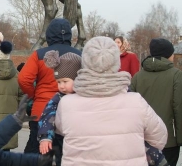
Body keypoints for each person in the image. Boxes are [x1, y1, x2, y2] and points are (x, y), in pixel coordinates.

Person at [55, 36, 168, 166]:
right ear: (116, 62)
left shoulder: (66, 103)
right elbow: (159, 139)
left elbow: (61, 130)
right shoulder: (136, 101)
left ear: (85, 62)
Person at [18, 18, 81, 154]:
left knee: (34, 155)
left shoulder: (40, 54)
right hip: (72, 111)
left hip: (41, 110)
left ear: (49, 34)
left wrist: (34, 95)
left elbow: (24, 79)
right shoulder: (80, 55)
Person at [131, 38, 182, 166]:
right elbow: (179, 107)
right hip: (169, 140)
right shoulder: (176, 75)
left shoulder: (138, 76)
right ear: (169, 54)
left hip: (143, 140)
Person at [37, 50, 82, 166]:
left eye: (65, 81)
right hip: (61, 139)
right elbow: (47, 116)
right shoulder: (58, 98)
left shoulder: (85, 96)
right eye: (58, 82)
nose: (61, 86)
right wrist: (46, 136)